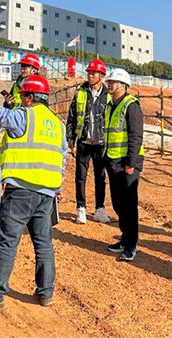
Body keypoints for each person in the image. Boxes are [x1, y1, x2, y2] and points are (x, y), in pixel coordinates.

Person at [0, 74, 66, 311]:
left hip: (20, 190)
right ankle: (46, 293)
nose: (21, 100)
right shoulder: (57, 124)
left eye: (23, 96)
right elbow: (62, 157)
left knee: (8, 242)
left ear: (30, 97)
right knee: (44, 243)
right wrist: (57, 186)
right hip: (47, 193)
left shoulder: (23, 116)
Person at [104, 68, 144, 262]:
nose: (109, 85)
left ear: (123, 85)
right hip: (113, 160)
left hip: (127, 163)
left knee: (129, 205)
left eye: (112, 82)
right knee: (118, 203)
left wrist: (131, 163)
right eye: (109, 82)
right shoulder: (111, 105)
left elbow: (136, 136)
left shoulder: (131, 105)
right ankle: (124, 238)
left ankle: (131, 244)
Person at [66, 58, 110, 224]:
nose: (90, 75)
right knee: (81, 176)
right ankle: (81, 208)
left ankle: (99, 209)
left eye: (93, 73)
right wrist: (70, 136)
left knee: (101, 177)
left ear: (101, 75)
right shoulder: (81, 91)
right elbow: (72, 115)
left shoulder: (108, 95)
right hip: (84, 141)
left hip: (101, 143)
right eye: (89, 73)